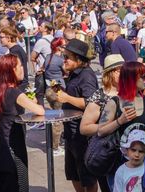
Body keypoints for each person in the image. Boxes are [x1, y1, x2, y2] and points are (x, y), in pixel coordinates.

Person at [0, 53, 45, 189]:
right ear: (12, 70)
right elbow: (40, 111)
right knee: (21, 184)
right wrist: (34, 101)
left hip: (4, 142)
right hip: (14, 146)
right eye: (20, 66)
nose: (23, 69)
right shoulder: (14, 92)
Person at [57, 38, 99, 192]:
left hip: (81, 135)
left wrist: (67, 98)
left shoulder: (87, 75)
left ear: (79, 59)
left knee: (87, 177)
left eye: (68, 57)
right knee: (73, 174)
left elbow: (92, 102)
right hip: (70, 132)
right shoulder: (74, 73)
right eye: (64, 56)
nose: (65, 60)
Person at [80, 54, 123, 192]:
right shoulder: (99, 97)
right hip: (107, 155)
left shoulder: (129, 93)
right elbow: (84, 128)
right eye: (119, 70)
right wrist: (110, 125)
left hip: (129, 154)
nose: (124, 73)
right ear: (110, 74)